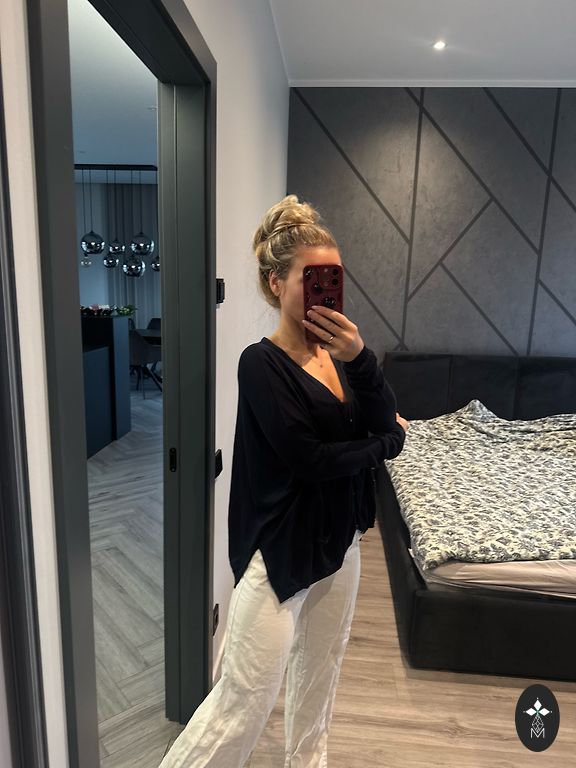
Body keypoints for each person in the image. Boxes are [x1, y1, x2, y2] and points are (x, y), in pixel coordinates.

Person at [158, 195, 409, 768]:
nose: (328, 291)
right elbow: (311, 458)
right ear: (276, 283)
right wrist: (387, 445)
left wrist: (361, 357)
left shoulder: (338, 356)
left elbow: (378, 413)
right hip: (280, 553)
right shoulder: (260, 363)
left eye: (336, 279)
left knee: (322, 671)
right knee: (242, 703)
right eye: (314, 279)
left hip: (340, 542)